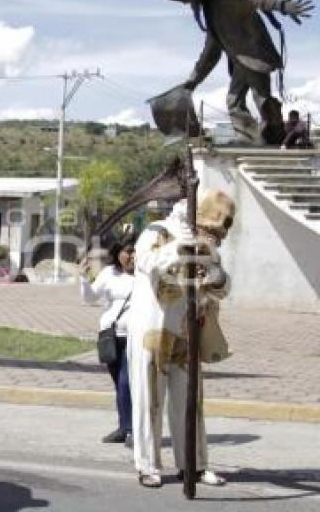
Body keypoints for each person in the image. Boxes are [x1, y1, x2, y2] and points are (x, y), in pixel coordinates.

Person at [128, 192, 235, 489]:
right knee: (150, 399)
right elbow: (148, 262)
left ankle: (195, 465)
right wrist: (183, 247)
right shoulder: (158, 231)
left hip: (188, 332)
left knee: (190, 403)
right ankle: (147, 464)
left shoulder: (208, 244)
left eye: (219, 235)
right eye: (213, 232)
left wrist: (213, 275)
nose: (216, 239)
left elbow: (222, 285)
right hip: (153, 330)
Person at [146, 0, 313, 145]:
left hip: (255, 56)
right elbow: (210, 53)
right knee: (234, 100)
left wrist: (283, 4)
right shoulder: (211, 13)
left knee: (261, 98)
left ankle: (272, 134)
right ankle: (250, 137)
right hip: (241, 61)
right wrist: (193, 81)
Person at [80, 235, 136, 445]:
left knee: (126, 383)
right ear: (118, 253)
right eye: (127, 251)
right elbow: (90, 298)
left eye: (134, 251)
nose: (131, 256)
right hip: (111, 336)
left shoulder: (146, 275)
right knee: (119, 385)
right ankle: (124, 427)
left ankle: (132, 430)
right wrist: (84, 279)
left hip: (135, 337)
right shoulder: (109, 273)